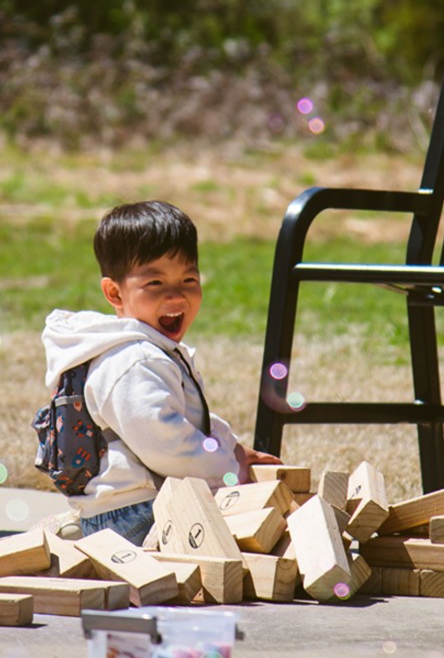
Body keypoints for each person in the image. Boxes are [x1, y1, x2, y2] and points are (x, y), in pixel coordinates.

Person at [41, 200, 280, 546]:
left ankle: (80, 535)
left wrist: (232, 447)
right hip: (138, 514)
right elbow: (169, 447)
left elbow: (182, 416)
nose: (176, 295)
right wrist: (230, 468)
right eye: (155, 282)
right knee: (258, 534)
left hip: (131, 508)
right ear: (114, 292)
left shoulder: (146, 351)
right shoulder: (133, 362)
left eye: (188, 279)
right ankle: (96, 544)